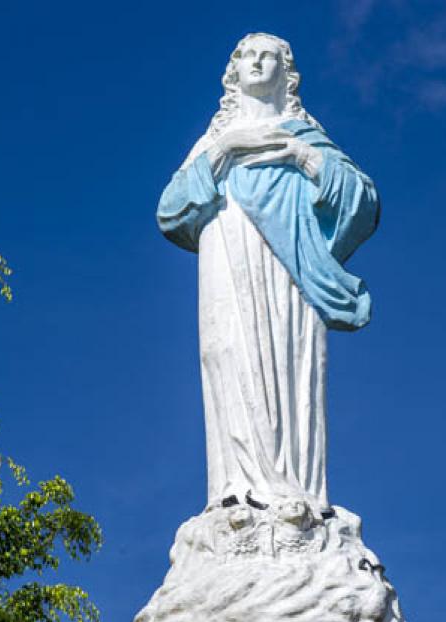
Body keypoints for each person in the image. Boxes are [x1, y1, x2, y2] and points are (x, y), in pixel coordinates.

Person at [157, 32, 379, 516]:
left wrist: (298, 154)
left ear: (286, 73)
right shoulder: (216, 139)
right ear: (234, 72)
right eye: (248, 57)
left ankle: (297, 491)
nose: (257, 63)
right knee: (228, 351)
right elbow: (170, 211)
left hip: (287, 269)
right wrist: (227, 150)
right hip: (227, 248)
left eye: (269, 57)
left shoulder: (301, 131)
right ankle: (236, 487)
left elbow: (362, 199)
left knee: (288, 357)